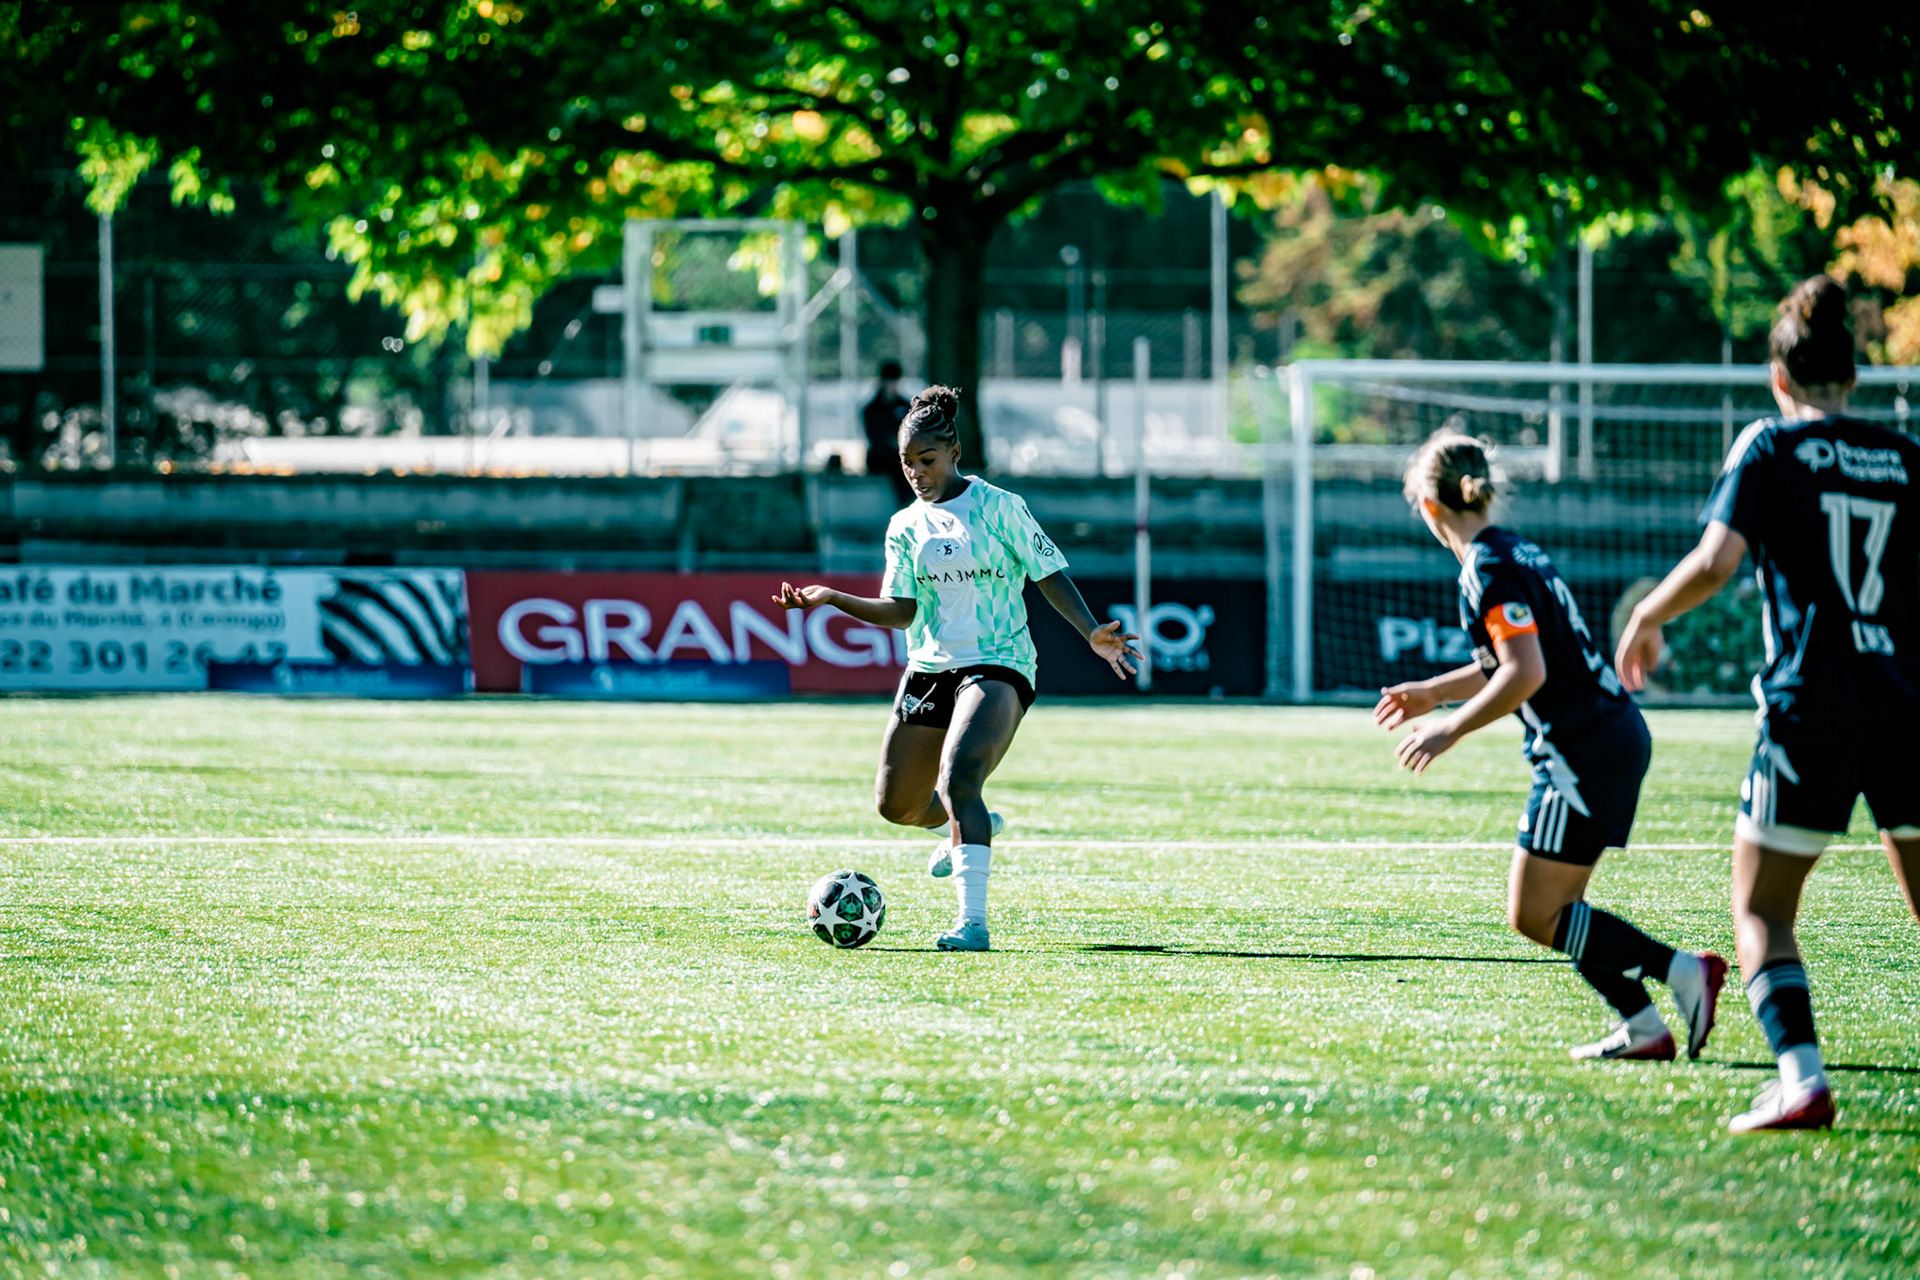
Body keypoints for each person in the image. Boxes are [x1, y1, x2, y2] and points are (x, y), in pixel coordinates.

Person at [1615, 277, 1920, 1133]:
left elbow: (1716, 563)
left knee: (1761, 911)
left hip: (1812, 705)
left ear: (1778, 381)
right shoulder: (1905, 459)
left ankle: (1801, 1080)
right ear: (1852, 381)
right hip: (1908, 703)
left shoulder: (1768, 448)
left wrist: (1646, 614)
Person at [1375, 430, 1727, 1065]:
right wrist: (1434, 691)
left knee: (1536, 913)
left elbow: (1526, 674)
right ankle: (1645, 1026)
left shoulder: (1488, 566)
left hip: (1582, 749)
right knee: (1552, 909)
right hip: (1606, 734)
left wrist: (1450, 728)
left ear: (1430, 508)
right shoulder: (1515, 551)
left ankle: (1679, 972)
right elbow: (1520, 661)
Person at [777, 386, 1139, 951]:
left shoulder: (1000, 507)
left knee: (957, 777)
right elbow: (902, 612)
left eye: (927, 460)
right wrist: (831, 597)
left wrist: (1091, 630)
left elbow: (1046, 573)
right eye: (907, 463)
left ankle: (973, 924)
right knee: (896, 805)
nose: (917, 473)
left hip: (999, 663)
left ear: (954, 452)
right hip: (929, 669)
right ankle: (972, 823)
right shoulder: (904, 526)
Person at [863, 359, 915, 508]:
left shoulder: (905, 407)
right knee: (898, 466)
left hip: (902, 455)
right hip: (881, 457)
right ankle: (905, 504)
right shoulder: (871, 410)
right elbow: (874, 437)